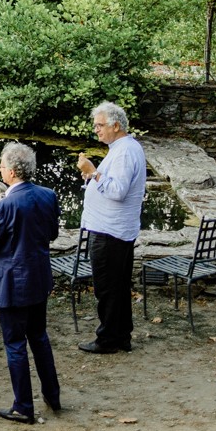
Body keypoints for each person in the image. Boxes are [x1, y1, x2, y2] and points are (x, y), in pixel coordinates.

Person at [0, 141, 61, 425]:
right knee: (40, 339)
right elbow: (52, 233)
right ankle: (52, 396)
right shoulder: (47, 195)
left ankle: (23, 406)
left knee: (16, 344)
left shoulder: (4, 207)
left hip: (11, 284)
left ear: (13, 171)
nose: (0, 169)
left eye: (2, 165)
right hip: (38, 277)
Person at [77, 101, 146, 355]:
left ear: (116, 125)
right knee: (117, 287)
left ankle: (107, 340)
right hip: (116, 230)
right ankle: (121, 336)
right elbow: (114, 184)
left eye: (100, 125)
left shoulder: (125, 151)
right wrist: (94, 177)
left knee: (107, 288)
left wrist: (93, 172)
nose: (96, 130)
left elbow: (117, 191)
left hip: (110, 232)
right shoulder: (123, 148)